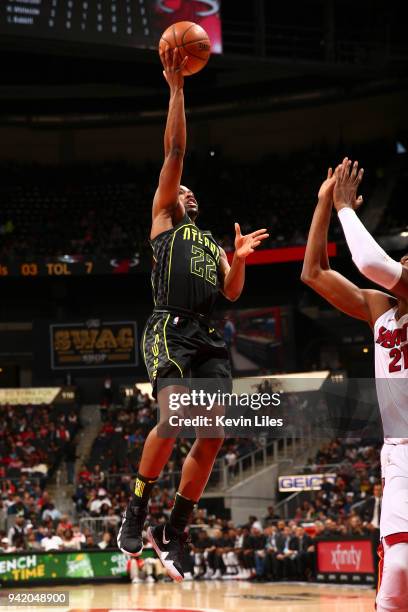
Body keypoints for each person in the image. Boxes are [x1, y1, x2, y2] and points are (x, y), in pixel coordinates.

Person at [116, 45, 268, 583]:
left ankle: (174, 528)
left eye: (189, 189)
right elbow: (176, 148)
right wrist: (177, 89)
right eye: (179, 186)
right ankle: (136, 509)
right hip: (171, 328)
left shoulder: (211, 243)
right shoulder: (164, 220)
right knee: (175, 418)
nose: (185, 189)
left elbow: (230, 291)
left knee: (213, 434)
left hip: (209, 336)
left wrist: (242, 260)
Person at [301, 157, 408, 611]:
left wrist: (346, 208)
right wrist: (324, 204)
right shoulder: (380, 309)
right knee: (397, 573)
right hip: (399, 450)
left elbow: (368, 260)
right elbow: (314, 274)